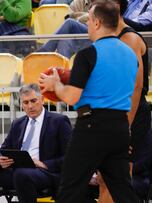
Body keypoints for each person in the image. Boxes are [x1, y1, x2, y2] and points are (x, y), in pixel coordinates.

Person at [39, 1, 140, 202]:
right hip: (120, 127)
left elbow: (71, 97)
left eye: (89, 19)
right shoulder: (130, 54)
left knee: (69, 189)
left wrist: (55, 84)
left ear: (96, 23)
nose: (87, 25)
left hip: (92, 127)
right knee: (124, 192)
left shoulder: (88, 55)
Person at [0, 84, 72, 203]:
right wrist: (0, 160)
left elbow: (70, 158)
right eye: (26, 103)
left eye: (33, 101)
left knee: (22, 174)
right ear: (22, 104)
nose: (30, 106)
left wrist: (43, 164)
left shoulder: (59, 121)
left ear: (42, 100)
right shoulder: (18, 124)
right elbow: (2, 151)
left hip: (44, 173)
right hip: (16, 172)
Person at [96, 0, 150, 202]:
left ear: (115, 6)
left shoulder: (130, 38)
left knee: (118, 179)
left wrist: (124, 126)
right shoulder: (107, 37)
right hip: (111, 113)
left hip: (129, 115)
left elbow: (134, 88)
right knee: (104, 178)